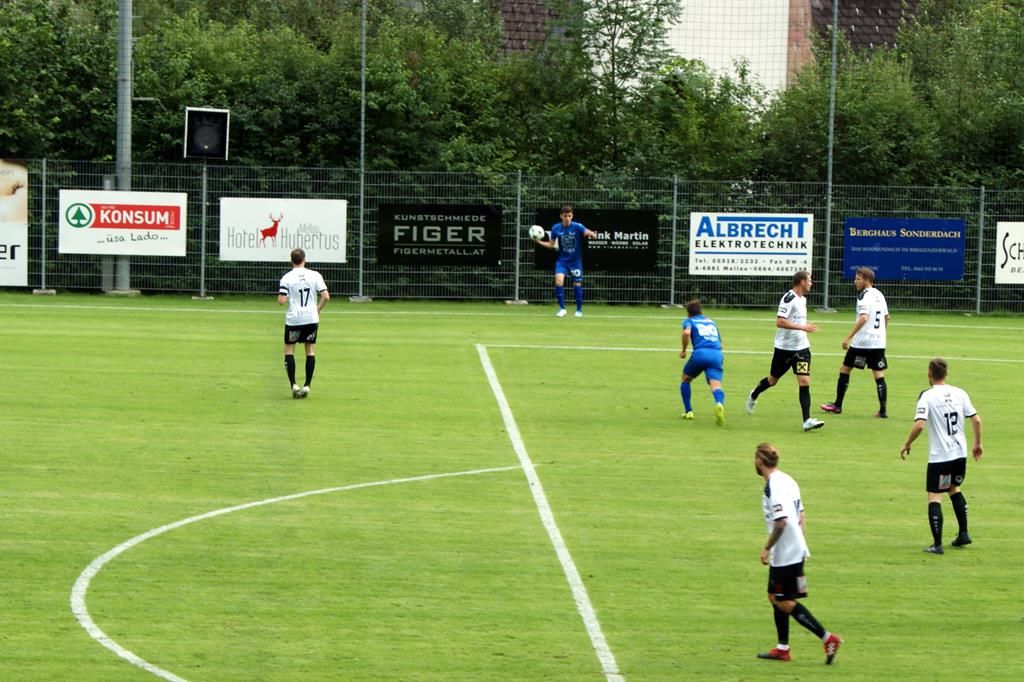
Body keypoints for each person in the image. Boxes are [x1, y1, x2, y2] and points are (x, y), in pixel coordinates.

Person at [754, 442, 843, 665]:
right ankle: (782, 648)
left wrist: (767, 547)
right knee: (774, 596)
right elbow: (801, 514)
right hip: (794, 549)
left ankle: (828, 638)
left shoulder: (774, 486)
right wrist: (800, 542)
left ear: (759, 461)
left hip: (786, 552)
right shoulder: (788, 479)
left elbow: (781, 522)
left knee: (784, 601)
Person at [899, 358, 983, 554]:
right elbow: (977, 420)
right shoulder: (960, 393)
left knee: (935, 495)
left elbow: (920, 424)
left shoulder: (927, 396)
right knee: (954, 488)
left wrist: (907, 443)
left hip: (940, 457)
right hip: (959, 454)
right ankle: (963, 533)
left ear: (929, 374)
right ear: (946, 374)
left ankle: (937, 545)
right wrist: (978, 444)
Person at [745, 271, 825, 432]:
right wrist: (803, 327)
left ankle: (807, 420)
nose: (811, 283)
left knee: (804, 382)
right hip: (784, 349)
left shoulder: (803, 299)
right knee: (772, 380)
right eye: (809, 280)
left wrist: (803, 328)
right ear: (802, 282)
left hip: (801, 349)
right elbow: (780, 321)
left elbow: (796, 320)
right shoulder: (789, 298)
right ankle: (754, 394)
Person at [820, 267, 890, 417]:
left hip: (862, 342)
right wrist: (881, 334)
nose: (855, 281)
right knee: (879, 375)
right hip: (878, 342)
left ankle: (837, 405)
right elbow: (886, 317)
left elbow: (864, 317)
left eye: (858, 279)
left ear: (867, 280)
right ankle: (883, 411)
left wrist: (849, 337)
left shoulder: (864, 296)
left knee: (845, 369)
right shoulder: (879, 294)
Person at [277, 248, 330, 398]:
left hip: (294, 319)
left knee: (289, 350)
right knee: (310, 350)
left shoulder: (287, 277)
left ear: (291, 261)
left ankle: (294, 384)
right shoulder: (315, 275)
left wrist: (286, 297)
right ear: (304, 260)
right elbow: (326, 296)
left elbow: (281, 301)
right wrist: (317, 309)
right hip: (311, 319)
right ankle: (307, 385)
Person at [535, 204, 596, 317]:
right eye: (565, 216)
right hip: (562, 261)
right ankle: (562, 309)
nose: (567, 218)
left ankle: (579, 310)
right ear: (561, 216)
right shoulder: (556, 228)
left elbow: (589, 233)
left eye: (569, 216)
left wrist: (591, 234)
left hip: (575, 262)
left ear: (572, 216)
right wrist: (539, 242)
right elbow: (551, 244)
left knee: (577, 284)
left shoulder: (577, 226)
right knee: (558, 281)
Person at [678, 299, 725, 425]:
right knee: (716, 386)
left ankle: (688, 411)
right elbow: (720, 344)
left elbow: (686, 333)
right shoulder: (711, 322)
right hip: (716, 354)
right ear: (701, 311)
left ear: (688, 313)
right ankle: (719, 403)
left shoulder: (689, 321)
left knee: (685, 380)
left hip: (700, 354)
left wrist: (683, 350)